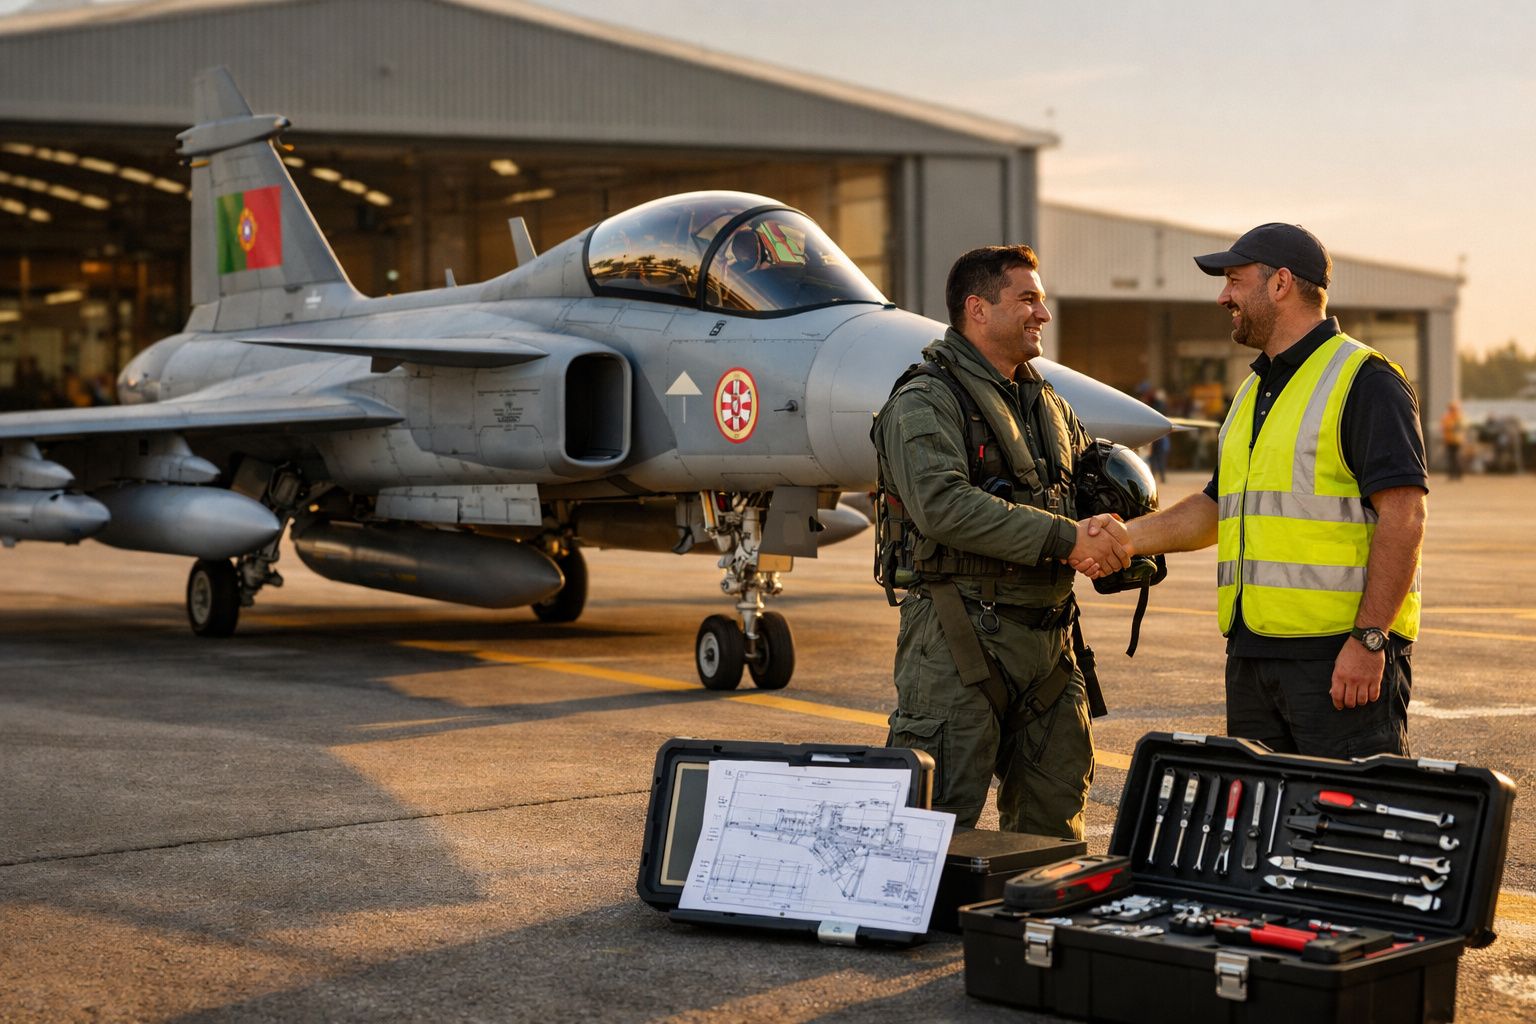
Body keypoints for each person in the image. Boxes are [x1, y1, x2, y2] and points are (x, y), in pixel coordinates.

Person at [1093, 224, 1426, 758]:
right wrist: (1126, 538)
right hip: (1253, 659)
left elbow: (1404, 517)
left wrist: (1369, 640)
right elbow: (1214, 508)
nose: (1223, 296)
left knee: (1340, 830)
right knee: (1261, 826)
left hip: (1337, 661)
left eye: (1233, 280)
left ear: (1281, 284)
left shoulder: (1365, 380)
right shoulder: (1254, 388)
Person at [871, 244, 1129, 840]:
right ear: (977, 309)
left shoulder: (1050, 406)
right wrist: (1070, 539)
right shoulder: (924, 401)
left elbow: (1081, 495)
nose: (1043, 314)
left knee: (1053, 828)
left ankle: (1028, 931)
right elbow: (943, 506)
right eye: (1028, 299)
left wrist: (1119, 537)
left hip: (1050, 642)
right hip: (959, 641)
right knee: (929, 829)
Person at [1441, 401, 1465, 480]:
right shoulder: (1451, 417)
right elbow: (1445, 426)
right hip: (1450, 440)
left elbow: (1456, 427)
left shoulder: (1457, 417)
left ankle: (1457, 474)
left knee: (1455, 458)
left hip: (1456, 441)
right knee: (1452, 458)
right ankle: (1453, 474)